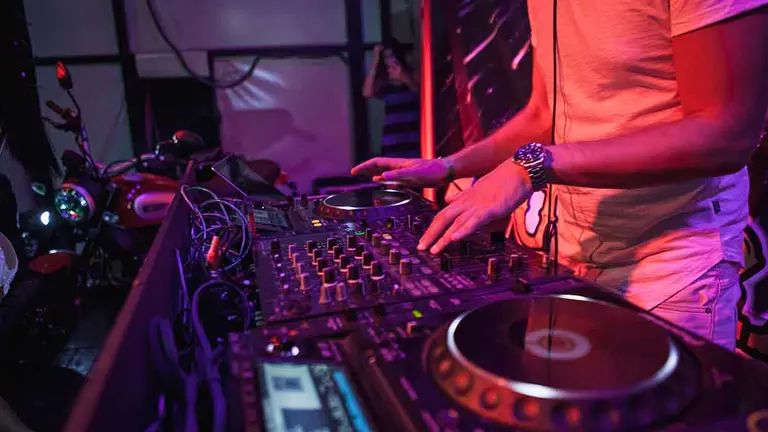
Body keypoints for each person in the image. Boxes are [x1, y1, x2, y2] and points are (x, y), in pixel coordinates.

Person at [352, 1, 768, 350]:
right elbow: (544, 113)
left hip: (671, 263)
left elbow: (726, 132)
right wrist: (450, 165)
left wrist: (531, 167)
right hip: (568, 256)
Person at [363, 39, 420, 159]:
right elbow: (367, 92)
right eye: (385, 57)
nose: (389, 59)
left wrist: (405, 78)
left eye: (392, 55)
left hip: (412, 132)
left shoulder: (412, 73)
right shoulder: (384, 79)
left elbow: (422, 94)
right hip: (393, 135)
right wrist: (375, 61)